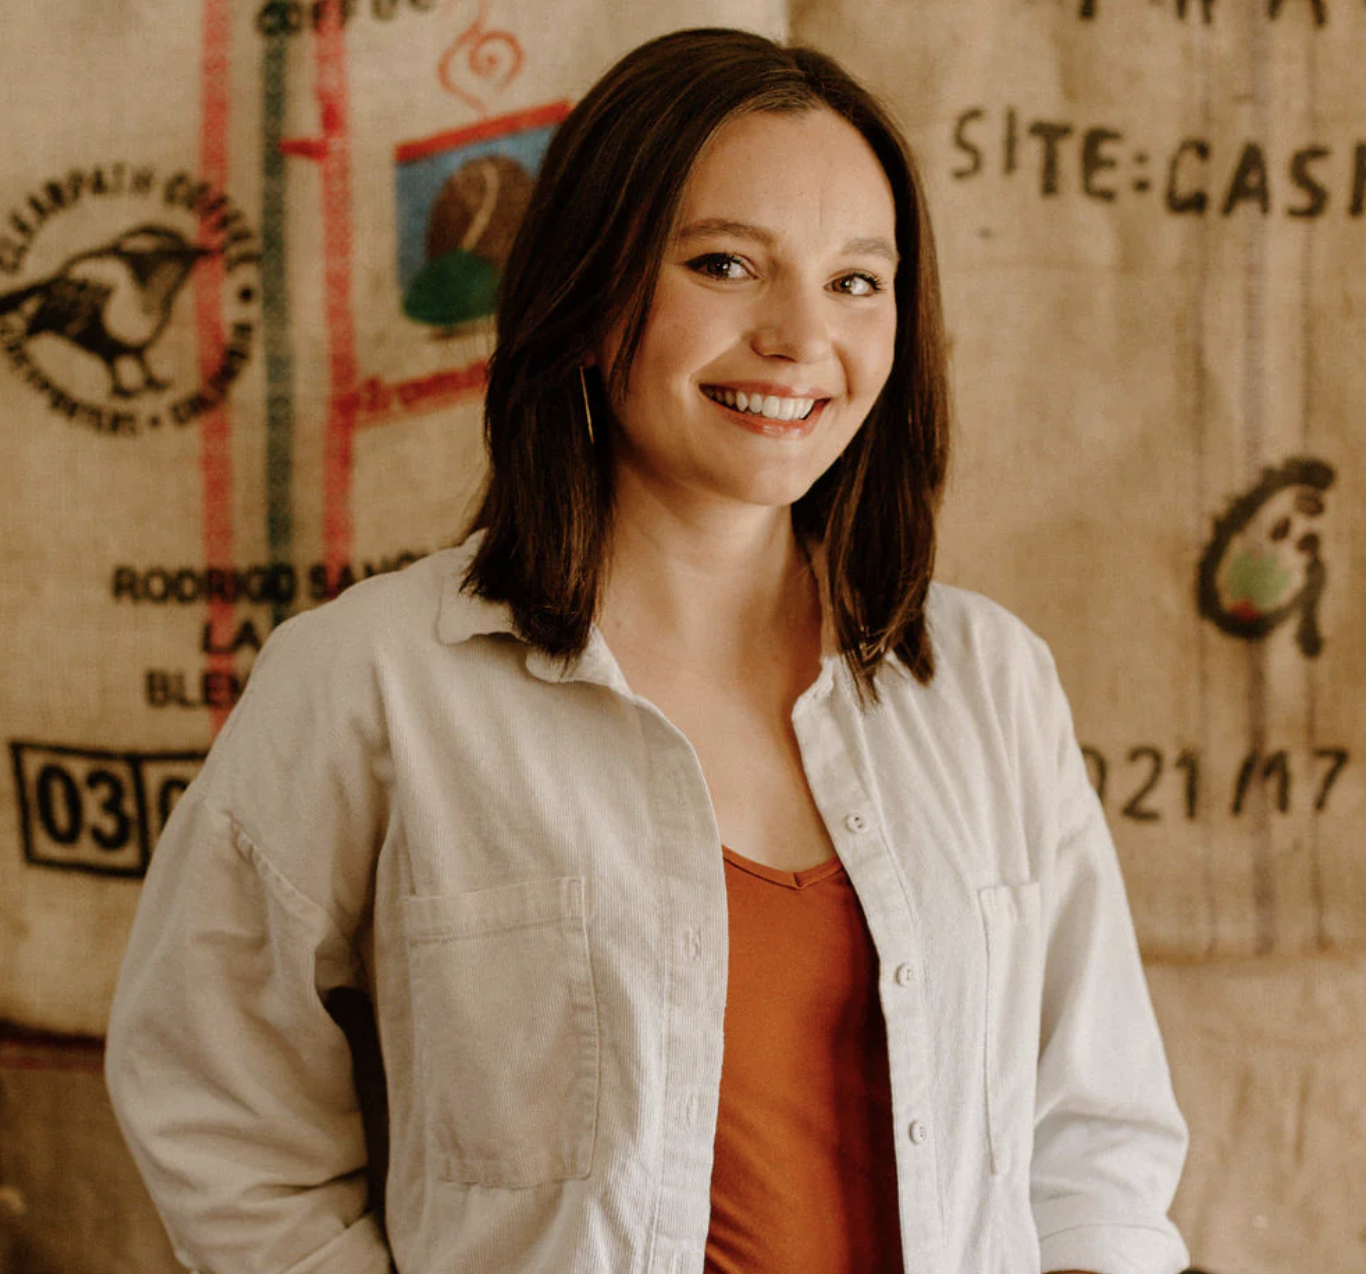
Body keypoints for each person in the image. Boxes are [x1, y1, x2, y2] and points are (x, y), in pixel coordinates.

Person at [105, 27, 1190, 1274]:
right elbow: (215, 1105)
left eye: (855, 281)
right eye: (727, 265)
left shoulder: (989, 680)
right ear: (588, 287)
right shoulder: (374, 680)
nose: (798, 336)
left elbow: (1094, 1145)